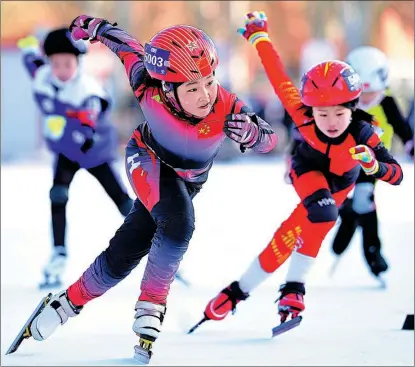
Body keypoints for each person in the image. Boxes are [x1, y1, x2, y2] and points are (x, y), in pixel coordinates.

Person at [14, 15, 277, 363]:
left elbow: (268, 139)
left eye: (210, 81)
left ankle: (64, 305)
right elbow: (126, 46)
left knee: (127, 250)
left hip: (186, 181)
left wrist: (254, 136)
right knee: (180, 222)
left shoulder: (226, 105)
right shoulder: (147, 85)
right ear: (168, 88)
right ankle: (151, 304)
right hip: (148, 159)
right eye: (192, 88)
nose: (206, 95)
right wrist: (93, 27)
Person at [197, 11, 404, 332]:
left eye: (339, 112)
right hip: (307, 171)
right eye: (322, 113)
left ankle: (263, 292)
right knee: (322, 214)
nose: (331, 121)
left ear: (353, 108)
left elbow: (397, 174)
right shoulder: (302, 115)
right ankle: (271, 291)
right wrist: (259, 36)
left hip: (338, 184)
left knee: (301, 231)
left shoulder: (365, 133)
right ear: (311, 109)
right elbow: (279, 76)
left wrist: (374, 165)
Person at [17, 28, 133, 289]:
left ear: (78, 62)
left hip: (95, 151)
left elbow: (92, 113)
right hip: (68, 150)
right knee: (57, 195)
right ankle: (58, 254)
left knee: (120, 199)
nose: (61, 69)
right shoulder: (43, 76)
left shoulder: (87, 90)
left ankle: (152, 238)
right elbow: (31, 61)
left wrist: (86, 131)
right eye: (55, 63)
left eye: (67, 63)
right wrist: (27, 46)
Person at [330, 46, 414, 283]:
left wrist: (410, 144)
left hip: (371, 164)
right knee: (330, 200)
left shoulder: (386, 103)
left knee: (364, 202)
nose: (365, 100)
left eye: (371, 94)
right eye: (360, 95)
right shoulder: (344, 105)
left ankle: (373, 253)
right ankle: (346, 219)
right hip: (340, 163)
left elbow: (401, 127)